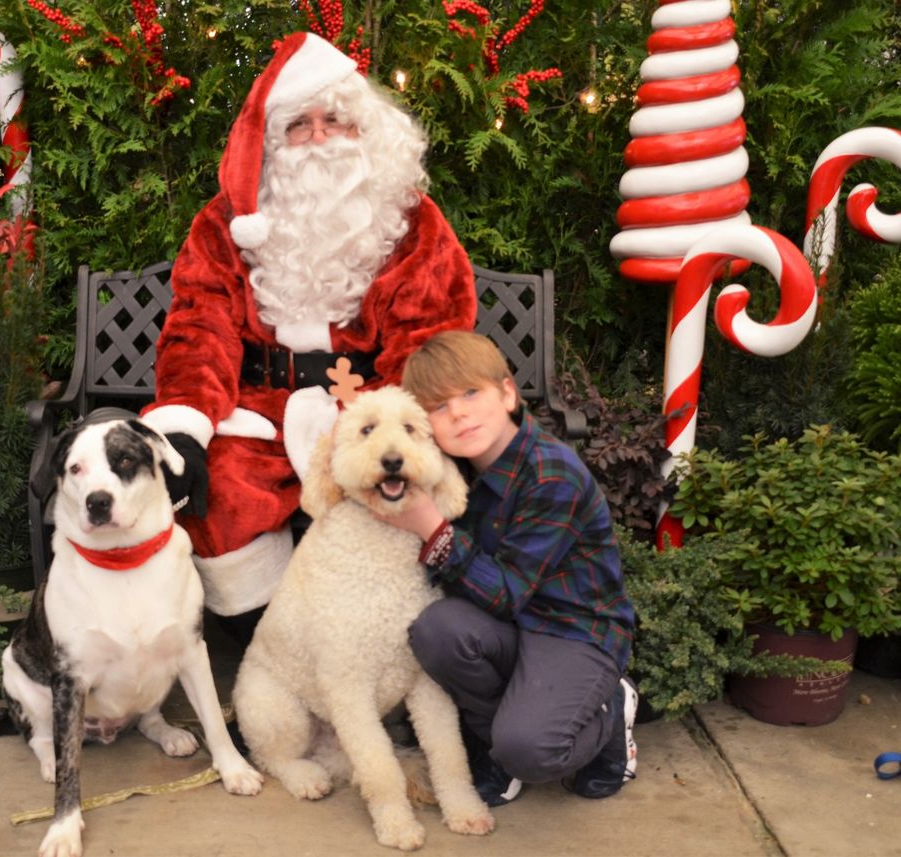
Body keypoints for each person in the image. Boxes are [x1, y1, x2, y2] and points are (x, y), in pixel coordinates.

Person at [141, 32, 477, 638]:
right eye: (300, 125)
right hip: (257, 407)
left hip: (372, 401)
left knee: (387, 487)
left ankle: (376, 646)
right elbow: (199, 326)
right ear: (271, 142)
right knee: (219, 487)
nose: (319, 138)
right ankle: (272, 644)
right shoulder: (225, 225)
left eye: (336, 121)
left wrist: (399, 418)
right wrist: (187, 420)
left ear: (366, 131)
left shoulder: (409, 218)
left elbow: (431, 333)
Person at [379, 330, 638, 805]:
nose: (457, 412)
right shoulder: (450, 473)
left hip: (572, 629)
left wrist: (432, 529)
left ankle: (607, 712)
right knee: (436, 630)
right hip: (506, 627)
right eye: (439, 407)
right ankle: (500, 745)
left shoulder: (550, 473)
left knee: (533, 751)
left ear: (508, 393)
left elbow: (507, 592)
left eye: (471, 393)